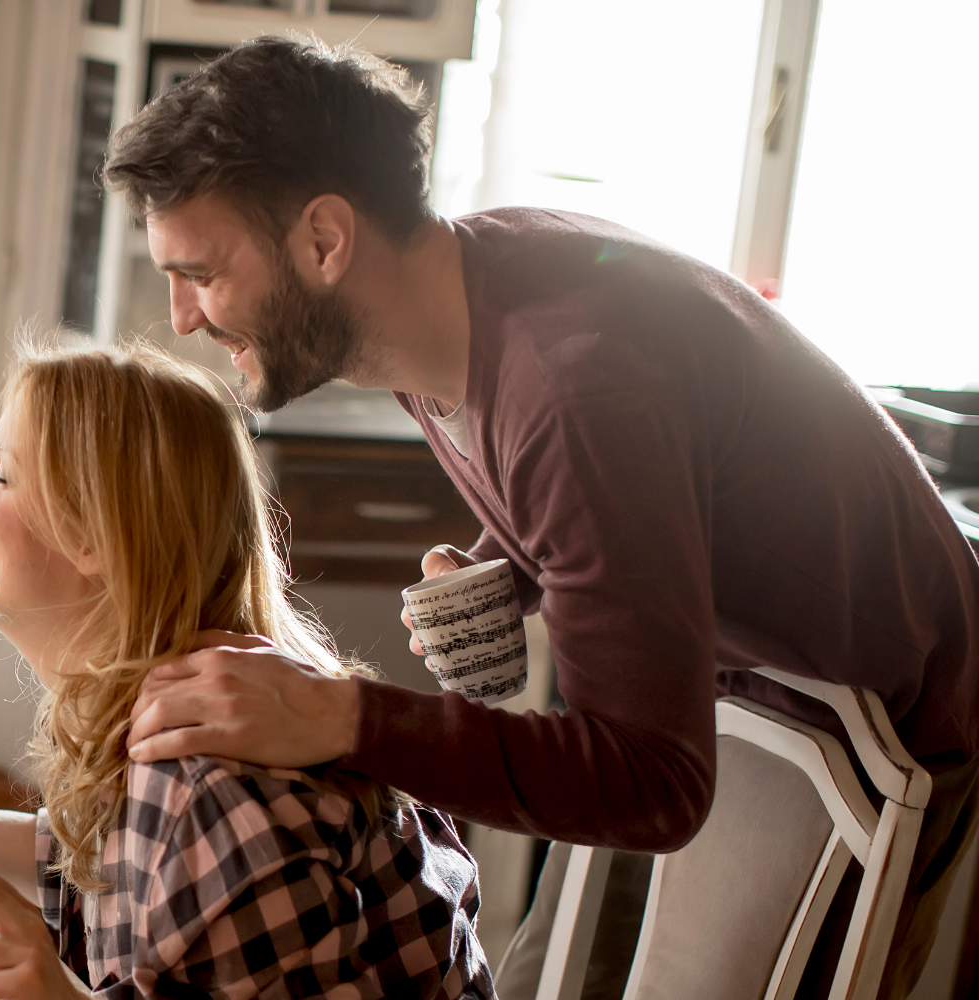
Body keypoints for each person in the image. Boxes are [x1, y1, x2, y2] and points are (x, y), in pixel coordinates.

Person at [107, 36, 979, 999]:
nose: (182, 315)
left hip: (883, 721)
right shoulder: (427, 311)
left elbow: (654, 784)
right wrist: (507, 558)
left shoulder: (572, 388)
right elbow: (649, 485)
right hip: (739, 689)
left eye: (200, 272)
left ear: (324, 240)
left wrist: (335, 713)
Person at [0, 342, 494, 1000]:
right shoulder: (194, 699)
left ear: (98, 534)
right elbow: (72, 855)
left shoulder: (211, 780)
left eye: (2, 476)